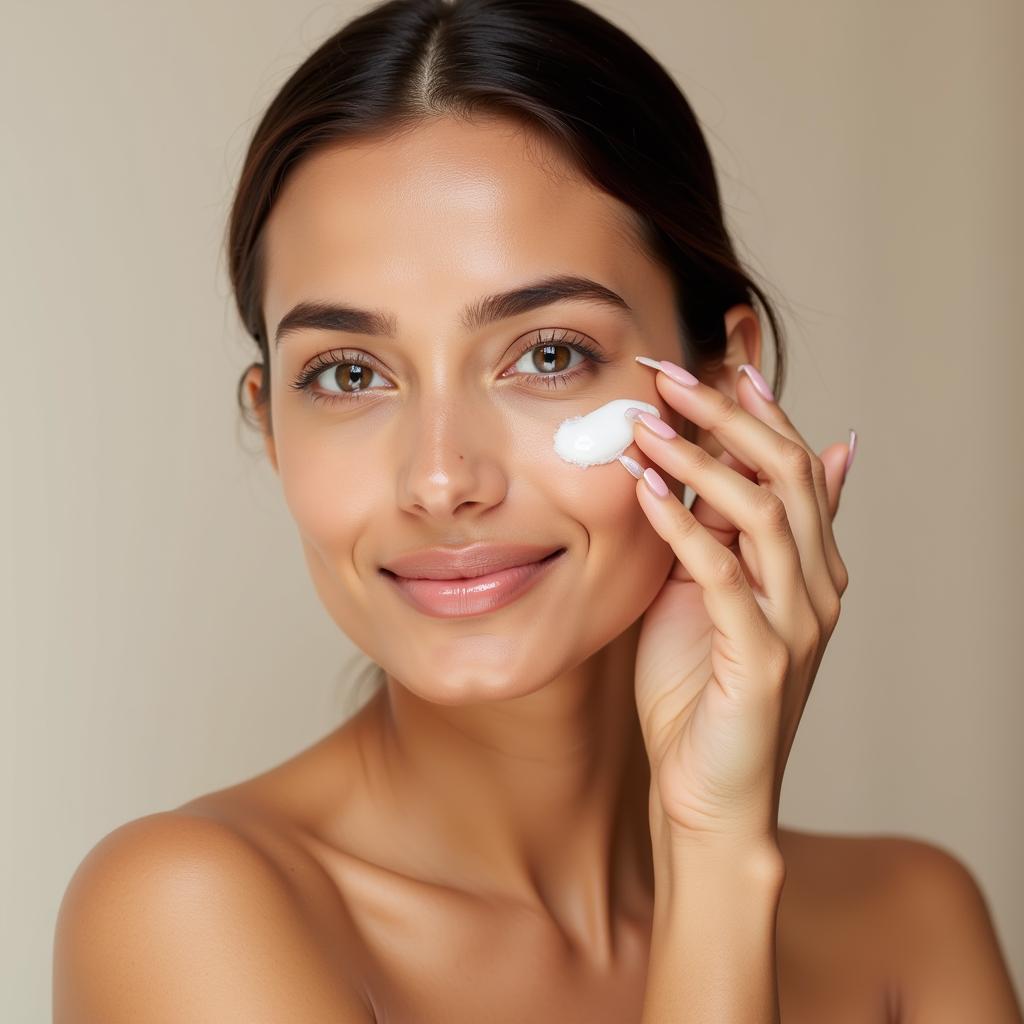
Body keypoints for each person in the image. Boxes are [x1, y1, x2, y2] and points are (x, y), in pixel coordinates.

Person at [53, 1, 1022, 1021]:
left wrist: (717, 849)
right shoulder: (182, 912)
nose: (440, 478)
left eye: (548, 355)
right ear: (271, 423)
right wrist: (710, 864)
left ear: (725, 380)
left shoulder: (908, 925)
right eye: (347, 373)